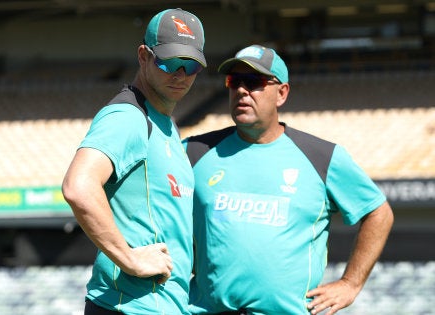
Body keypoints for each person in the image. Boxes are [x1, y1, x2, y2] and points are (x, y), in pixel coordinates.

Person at [184, 44, 394, 315]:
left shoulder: (322, 157)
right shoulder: (193, 151)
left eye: (254, 82)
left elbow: (379, 212)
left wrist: (350, 283)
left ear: (281, 93)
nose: (241, 91)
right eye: (234, 81)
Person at [62, 8, 206, 314]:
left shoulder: (164, 123)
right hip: (130, 306)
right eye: (169, 62)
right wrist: (129, 258)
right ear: (143, 56)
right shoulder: (128, 117)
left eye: (191, 65)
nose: (180, 75)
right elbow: (78, 186)